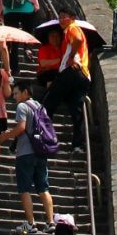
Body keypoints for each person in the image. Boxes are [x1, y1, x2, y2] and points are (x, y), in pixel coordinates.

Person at [3, 92, 55, 231]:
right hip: (41, 151)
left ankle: (31, 224)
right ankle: (51, 222)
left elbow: (21, 127)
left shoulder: (22, 106)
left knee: (24, 189)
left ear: (24, 92)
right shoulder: (40, 106)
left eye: (16, 93)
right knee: (43, 188)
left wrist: (4, 137)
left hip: (25, 153)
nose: (14, 96)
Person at [42, 8, 91, 148]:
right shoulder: (69, 32)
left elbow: (78, 39)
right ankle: (78, 144)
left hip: (71, 72)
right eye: (60, 17)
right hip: (83, 75)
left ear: (73, 18)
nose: (61, 20)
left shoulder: (72, 28)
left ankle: (45, 138)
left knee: (48, 103)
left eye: (64, 17)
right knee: (76, 110)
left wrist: (70, 57)